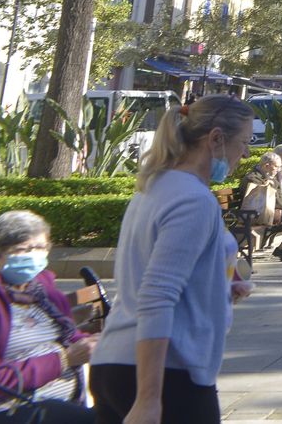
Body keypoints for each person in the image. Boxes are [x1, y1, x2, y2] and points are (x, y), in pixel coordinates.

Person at [90, 94, 255, 424]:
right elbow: (157, 295)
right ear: (216, 139)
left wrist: (217, 286)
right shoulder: (193, 199)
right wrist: (149, 398)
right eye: (244, 142)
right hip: (165, 374)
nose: (246, 153)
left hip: (118, 364)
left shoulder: (155, 186)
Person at [0, 210, 97, 424]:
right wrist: (63, 360)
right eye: (23, 250)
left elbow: (70, 336)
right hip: (14, 409)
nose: (33, 255)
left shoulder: (42, 289)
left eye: (41, 248)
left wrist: (92, 344)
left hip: (64, 402)